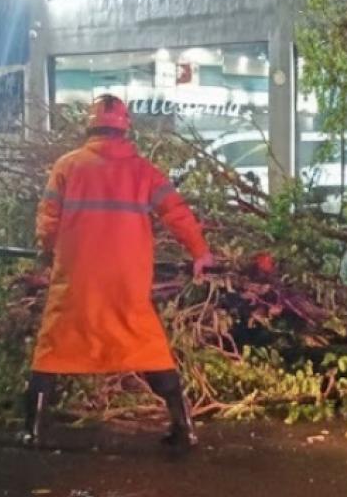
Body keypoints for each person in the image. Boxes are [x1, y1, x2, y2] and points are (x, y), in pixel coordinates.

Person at [24, 95, 215, 448]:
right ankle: (184, 427)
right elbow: (176, 212)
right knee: (148, 347)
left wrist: (48, 249)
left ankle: (32, 430)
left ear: (90, 125)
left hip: (78, 278)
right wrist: (199, 251)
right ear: (126, 129)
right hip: (127, 280)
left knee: (53, 348)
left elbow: (48, 220)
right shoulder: (143, 171)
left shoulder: (67, 166)